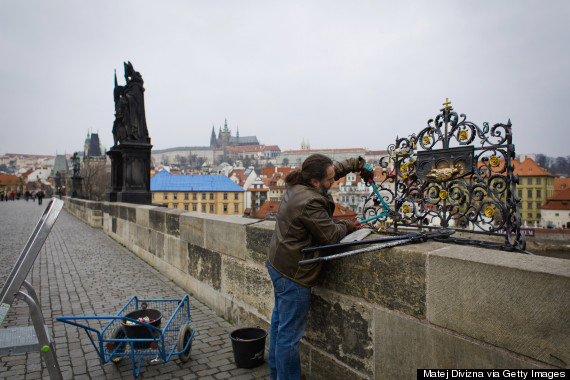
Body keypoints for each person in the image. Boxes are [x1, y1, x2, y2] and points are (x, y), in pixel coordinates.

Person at [266, 153, 374, 380]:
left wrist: (355, 164)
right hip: (294, 273)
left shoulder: (298, 182)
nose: (332, 182)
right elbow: (331, 236)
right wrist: (351, 224)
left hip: (278, 263)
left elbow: (330, 170)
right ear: (315, 182)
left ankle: (277, 373)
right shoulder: (310, 201)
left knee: (279, 324)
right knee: (289, 335)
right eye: (329, 181)